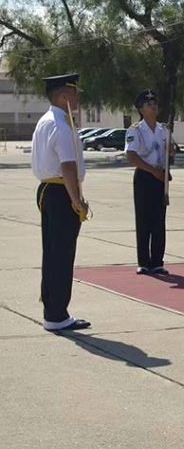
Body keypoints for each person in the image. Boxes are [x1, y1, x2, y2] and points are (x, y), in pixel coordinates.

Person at [31, 73, 91, 332]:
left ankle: (53, 311)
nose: (78, 98)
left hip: (49, 190)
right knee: (62, 255)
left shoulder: (46, 121)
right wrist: (77, 200)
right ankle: (57, 315)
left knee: (53, 252)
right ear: (64, 96)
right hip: (60, 192)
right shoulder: (61, 125)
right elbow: (68, 165)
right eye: (75, 93)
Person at [124, 89, 174, 276]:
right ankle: (144, 262)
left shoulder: (164, 130)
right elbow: (131, 155)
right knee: (144, 219)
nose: (153, 107)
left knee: (159, 220)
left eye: (155, 104)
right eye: (149, 105)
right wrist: (153, 171)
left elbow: (170, 152)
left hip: (160, 177)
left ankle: (157, 261)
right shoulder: (136, 130)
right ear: (141, 109)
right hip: (145, 176)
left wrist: (171, 152)